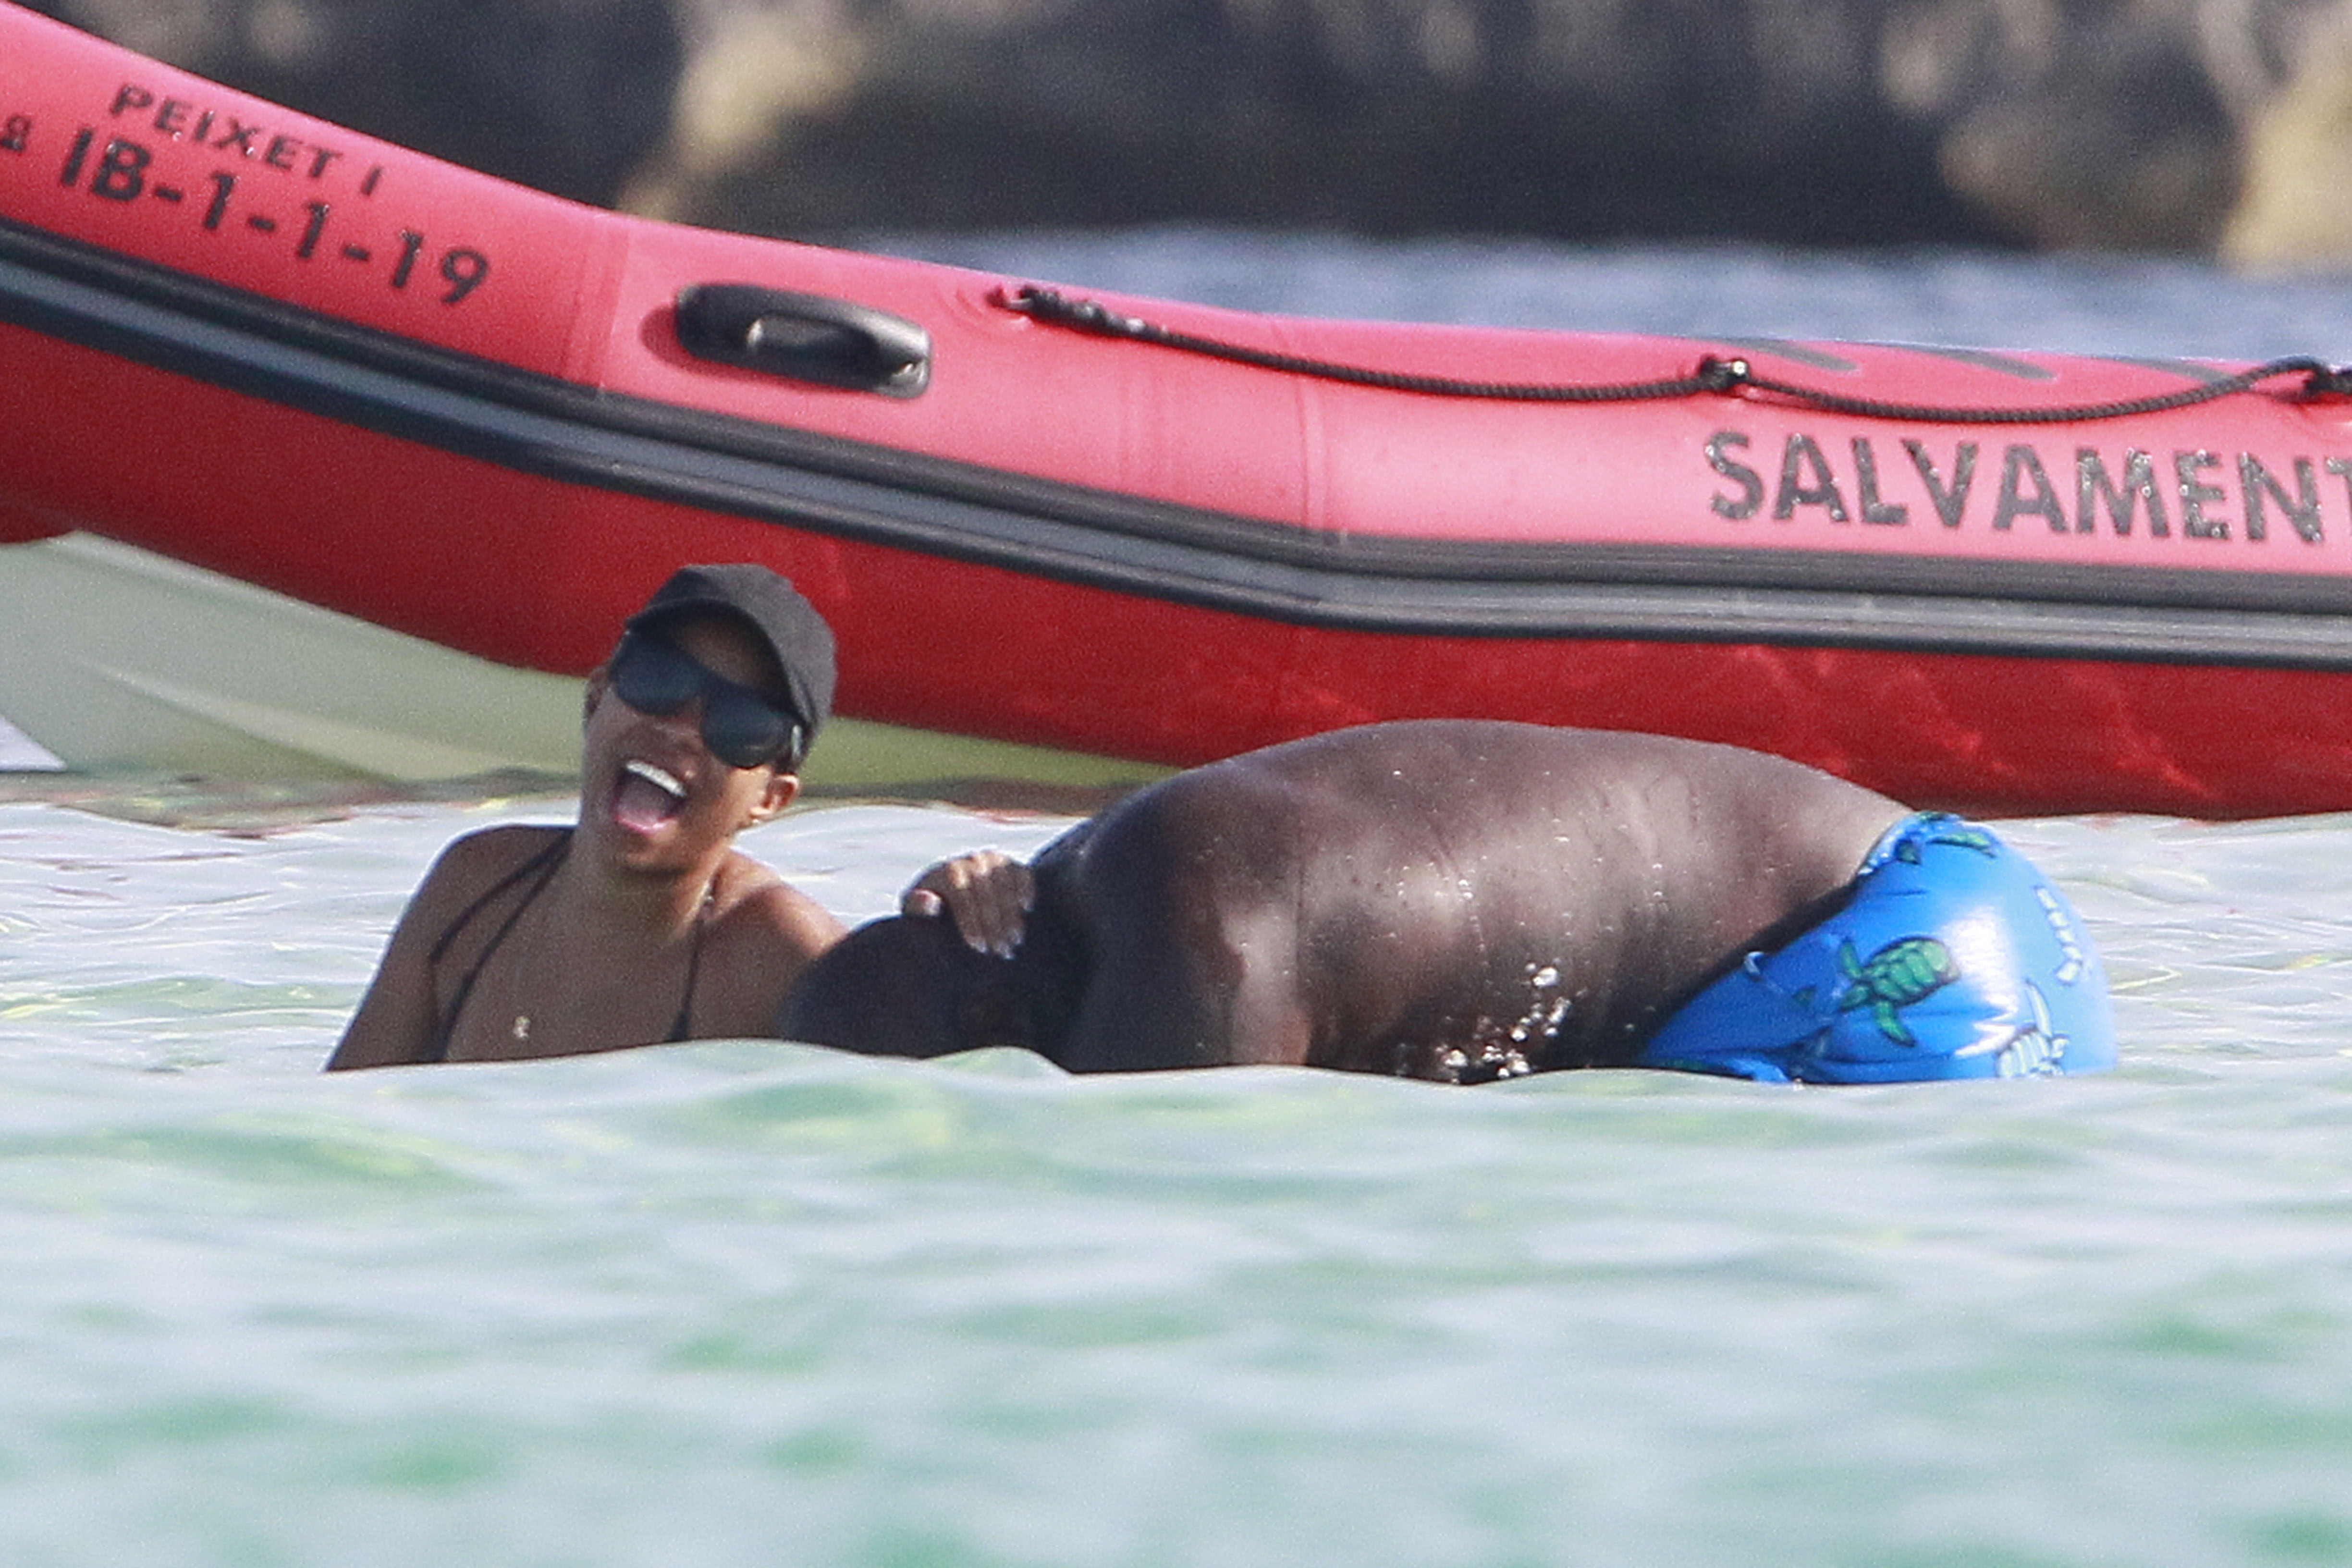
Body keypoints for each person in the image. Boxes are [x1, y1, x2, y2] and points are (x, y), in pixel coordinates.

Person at [784, 720, 2115, 1085]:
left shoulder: (1199, 961)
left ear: (1004, 1011)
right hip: (1953, 895)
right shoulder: (1118, 867)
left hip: (1898, 958)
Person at [326, 564, 847, 1069]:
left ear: (771, 799)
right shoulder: (473, 893)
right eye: (658, 676)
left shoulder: (784, 960)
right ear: (597, 698)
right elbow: (337, 1121)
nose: (682, 728)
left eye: (742, 721)